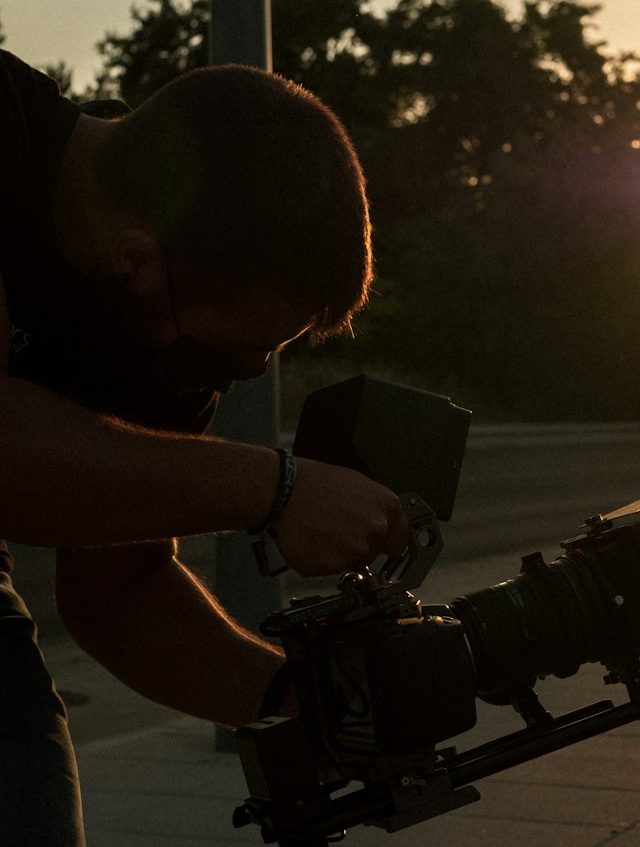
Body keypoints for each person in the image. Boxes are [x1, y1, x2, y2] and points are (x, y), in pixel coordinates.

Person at [0, 47, 409, 845]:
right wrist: (277, 488)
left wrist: (302, 701)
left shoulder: (163, 326)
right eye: (232, 350)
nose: (239, 372)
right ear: (137, 260)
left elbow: (121, 588)